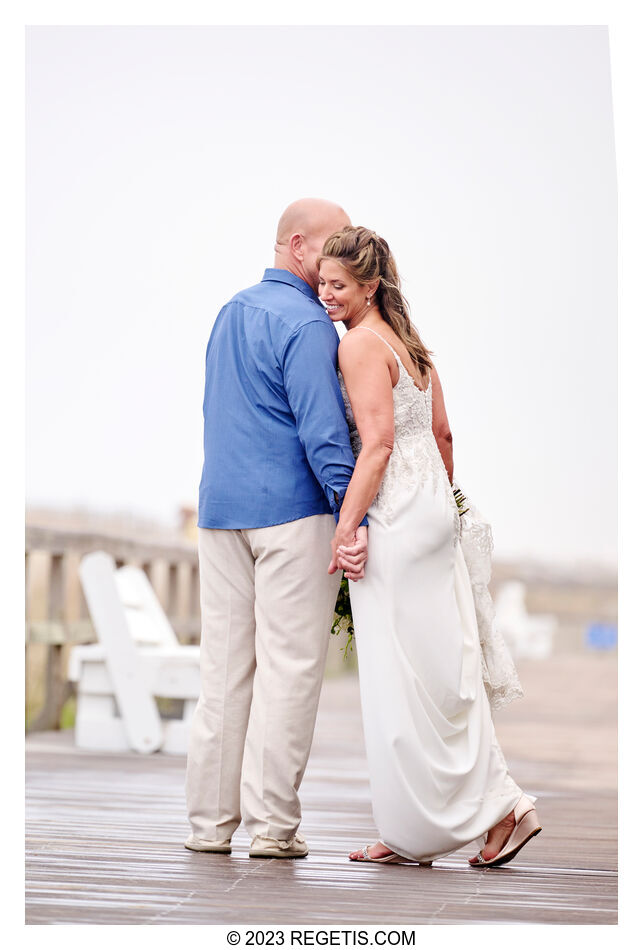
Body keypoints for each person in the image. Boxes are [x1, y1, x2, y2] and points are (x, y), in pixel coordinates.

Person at [319, 225, 542, 867]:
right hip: (433, 512)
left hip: (395, 512)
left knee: (399, 678)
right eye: (324, 284)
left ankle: (419, 828)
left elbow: (379, 443)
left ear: (370, 286)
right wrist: (443, 507)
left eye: (339, 285)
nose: (327, 295)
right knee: (443, 669)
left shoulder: (359, 345)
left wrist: (347, 527)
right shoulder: (412, 347)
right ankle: (489, 811)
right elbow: (443, 435)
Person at [185, 199, 368, 860]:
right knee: (288, 673)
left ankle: (208, 826)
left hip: (220, 510)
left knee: (223, 674)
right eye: (331, 245)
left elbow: (216, 410)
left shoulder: (228, 312)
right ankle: (272, 828)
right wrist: (355, 519)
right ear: (296, 244)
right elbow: (324, 436)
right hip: (291, 514)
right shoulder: (311, 325)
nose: (340, 258)